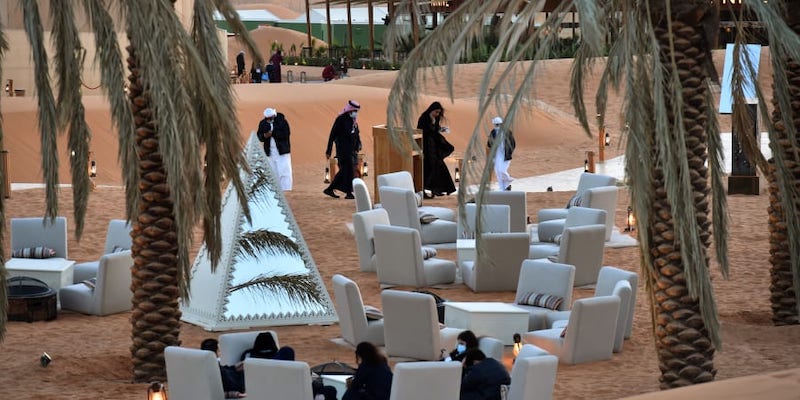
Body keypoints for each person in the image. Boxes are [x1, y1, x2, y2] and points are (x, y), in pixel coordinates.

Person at [324, 100, 362, 199]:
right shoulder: (341, 119)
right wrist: (328, 150)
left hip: (351, 150)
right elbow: (332, 135)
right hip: (343, 150)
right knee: (347, 170)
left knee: (346, 171)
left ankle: (331, 189)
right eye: (354, 111)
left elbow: (356, 134)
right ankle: (348, 193)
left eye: (356, 111)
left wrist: (358, 144)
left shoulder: (353, 121)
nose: (355, 113)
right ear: (350, 110)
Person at [417, 101, 456, 197]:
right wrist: (432, 123)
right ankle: (428, 190)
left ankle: (438, 190)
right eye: (436, 112)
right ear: (432, 110)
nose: (437, 114)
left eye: (439, 112)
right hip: (426, 147)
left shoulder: (436, 118)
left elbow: (435, 130)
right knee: (429, 168)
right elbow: (422, 131)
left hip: (434, 146)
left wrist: (441, 129)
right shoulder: (424, 118)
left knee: (438, 166)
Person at [257, 107, 293, 191]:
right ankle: (276, 191)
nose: (268, 120)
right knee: (273, 173)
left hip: (282, 152)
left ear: (274, 115)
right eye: (267, 118)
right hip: (270, 152)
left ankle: (286, 190)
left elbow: (286, 134)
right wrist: (264, 136)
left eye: (270, 118)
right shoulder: (263, 123)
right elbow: (259, 136)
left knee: (284, 172)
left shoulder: (282, 122)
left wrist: (273, 133)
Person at [487, 116, 516, 191]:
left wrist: (509, 151)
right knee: (498, 172)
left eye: (498, 124)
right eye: (496, 124)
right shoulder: (493, 132)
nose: (497, 126)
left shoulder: (507, 132)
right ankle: (504, 188)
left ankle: (508, 179)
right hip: (496, 154)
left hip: (505, 155)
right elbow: (489, 144)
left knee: (502, 170)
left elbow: (513, 143)